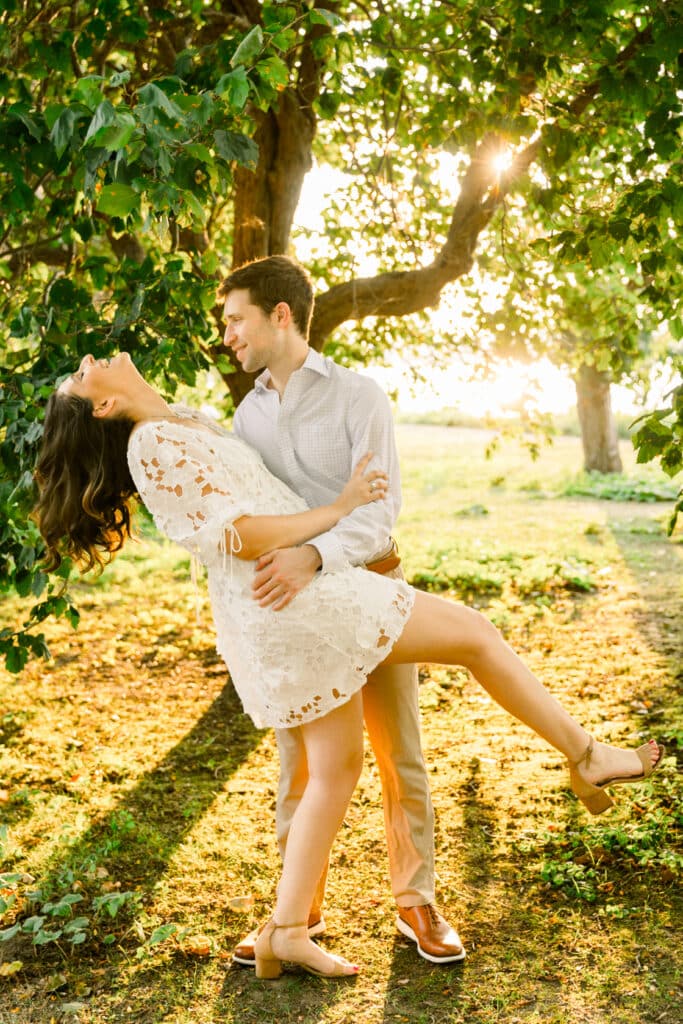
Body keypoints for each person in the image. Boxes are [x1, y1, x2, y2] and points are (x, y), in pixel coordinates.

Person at [33, 350, 663, 980]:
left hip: (297, 598)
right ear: (105, 405)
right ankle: (586, 755)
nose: (89, 359)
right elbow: (239, 535)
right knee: (474, 635)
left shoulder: (179, 421)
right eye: (83, 376)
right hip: (299, 601)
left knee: (336, 768)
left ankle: (287, 931)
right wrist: (340, 507)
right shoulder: (151, 445)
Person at [221, 255, 462, 967]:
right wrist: (292, 566)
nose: (227, 336)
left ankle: (415, 901)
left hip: (373, 589)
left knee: (398, 753)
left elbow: (379, 513)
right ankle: (296, 910)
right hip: (300, 610)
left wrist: (314, 555)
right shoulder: (247, 415)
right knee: (300, 763)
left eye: (235, 320)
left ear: (280, 315)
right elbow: (258, 519)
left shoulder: (359, 396)